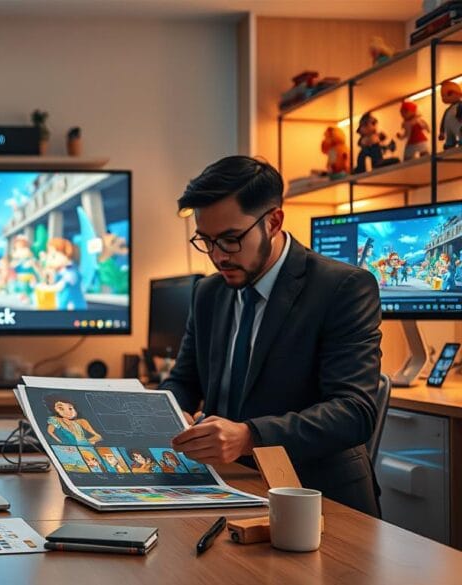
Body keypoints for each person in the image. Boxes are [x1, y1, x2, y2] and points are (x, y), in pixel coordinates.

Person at [162, 155, 382, 516]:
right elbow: (183, 380)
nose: (218, 257)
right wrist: (172, 411)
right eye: (206, 241)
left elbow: (353, 412)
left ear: (274, 221)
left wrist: (249, 436)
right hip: (229, 490)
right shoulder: (208, 293)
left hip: (320, 499)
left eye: (231, 240)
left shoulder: (343, 287)